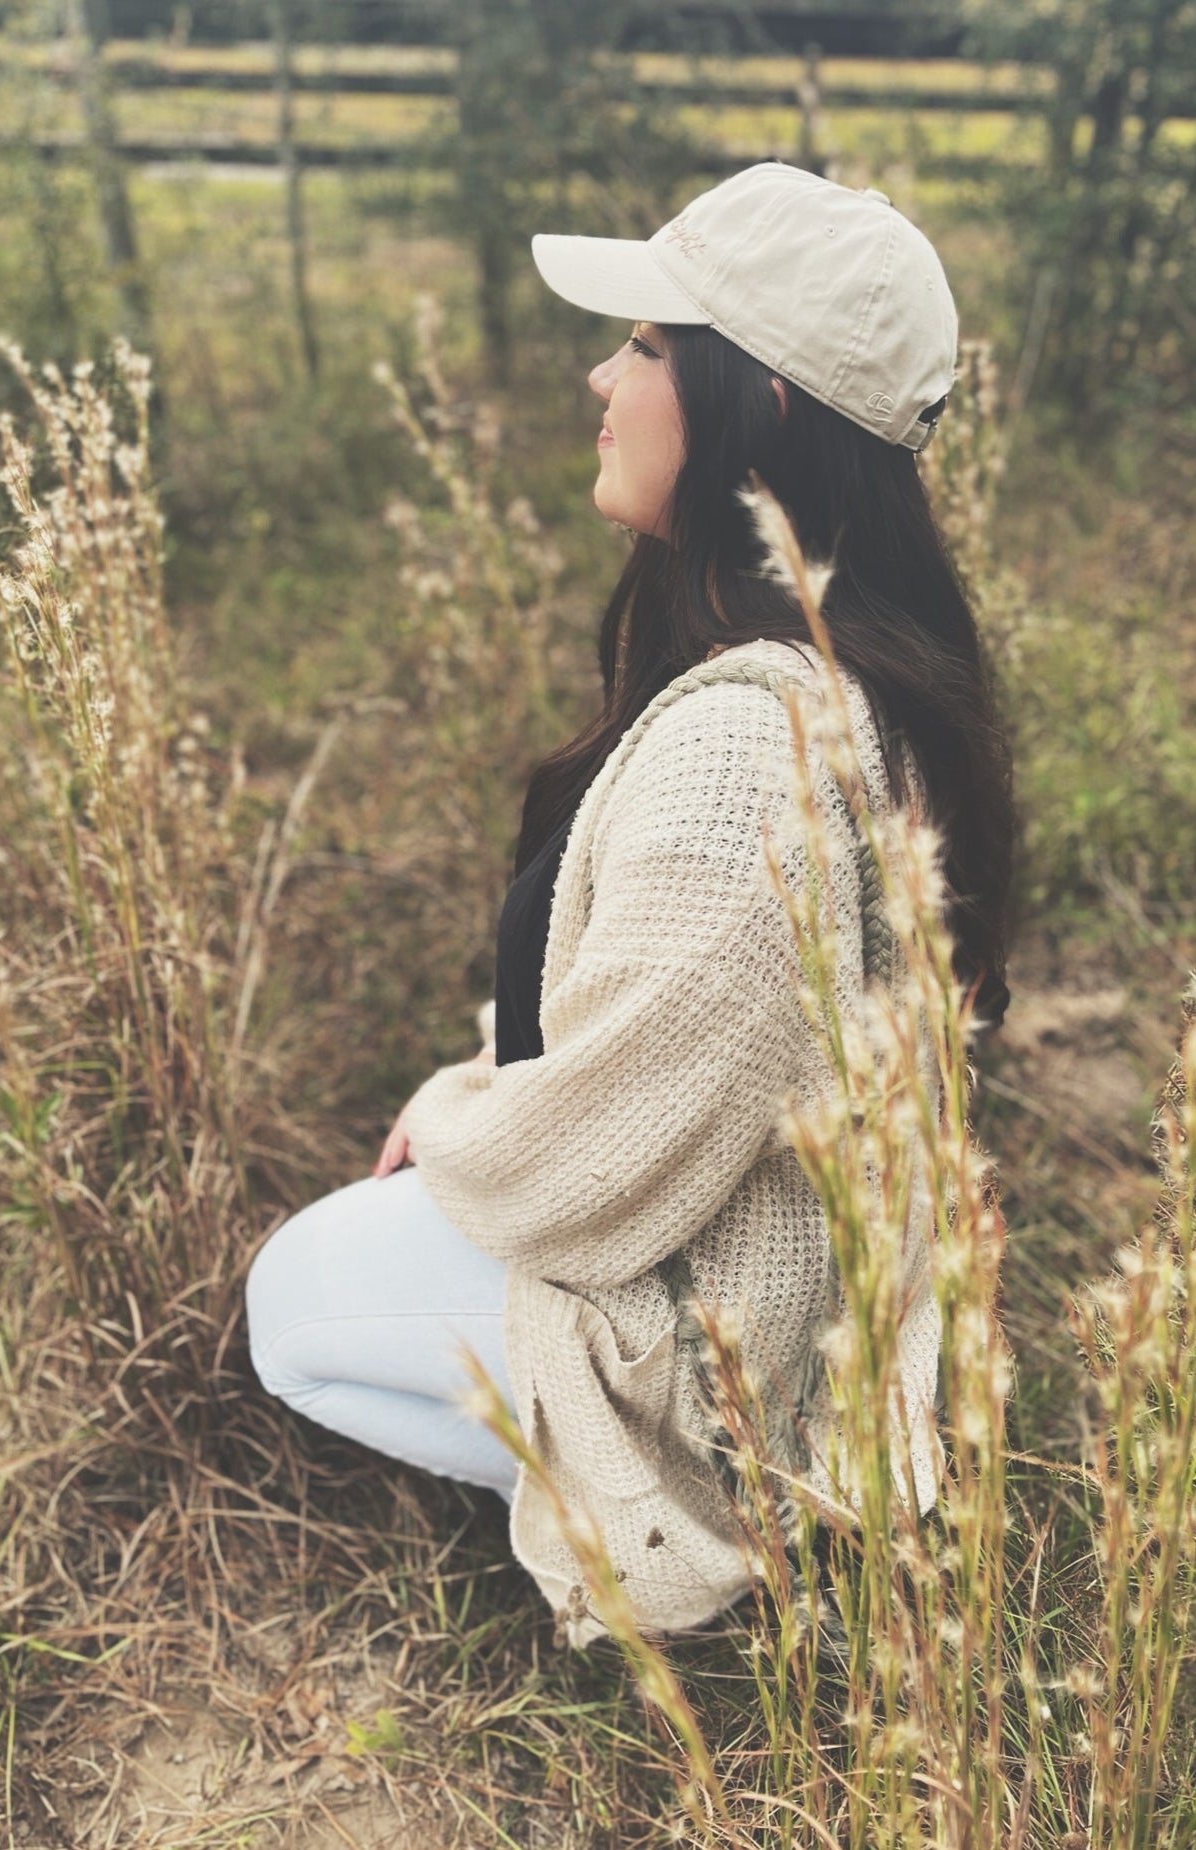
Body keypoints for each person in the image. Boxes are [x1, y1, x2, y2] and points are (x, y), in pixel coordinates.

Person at [246, 160, 1015, 1648]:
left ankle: (699, 1537)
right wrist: (481, 1072)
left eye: (647, 346)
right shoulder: (850, 660)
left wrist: (459, 1123)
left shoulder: (748, 751)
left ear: (761, 407)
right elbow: (657, 1022)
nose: (599, 375)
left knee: (290, 1305)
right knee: (372, 1232)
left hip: (717, 1324)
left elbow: (603, 1160)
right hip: (780, 1249)